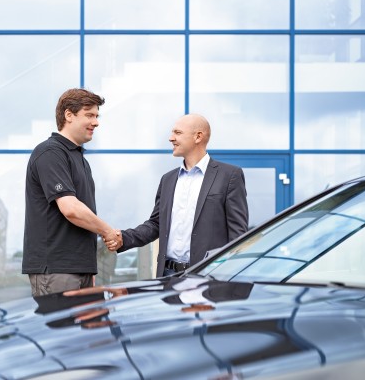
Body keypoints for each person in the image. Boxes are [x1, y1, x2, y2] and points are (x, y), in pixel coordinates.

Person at [105, 113, 248, 277]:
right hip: (168, 276)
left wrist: (230, 275)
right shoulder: (168, 179)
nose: (171, 138)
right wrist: (124, 237)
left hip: (209, 277)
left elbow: (238, 234)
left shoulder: (229, 175)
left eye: (177, 133)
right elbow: (156, 224)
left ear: (198, 137)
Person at [23, 88, 122, 296]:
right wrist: (107, 231)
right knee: (62, 329)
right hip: (57, 269)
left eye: (97, 116)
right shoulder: (50, 152)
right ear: (69, 115)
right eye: (89, 115)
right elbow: (71, 209)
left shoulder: (79, 159)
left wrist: (87, 267)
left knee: (85, 330)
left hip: (79, 268)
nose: (96, 122)